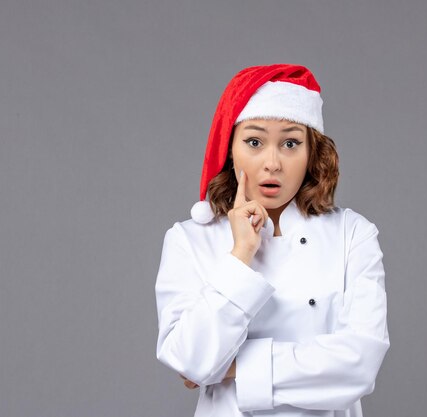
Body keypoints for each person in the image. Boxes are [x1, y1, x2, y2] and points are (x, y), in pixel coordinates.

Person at [154, 64, 390, 417]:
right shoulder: (189, 240)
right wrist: (240, 255)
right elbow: (190, 360)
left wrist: (230, 367)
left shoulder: (352, 234)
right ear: (230, 149)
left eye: (291, 143)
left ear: (312, 153)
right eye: (254, 141)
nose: (273, 163)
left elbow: (359, 365)